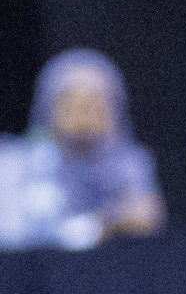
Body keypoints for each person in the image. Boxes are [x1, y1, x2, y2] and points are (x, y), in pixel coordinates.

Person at [3, 49, 165, 250]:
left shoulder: (130, 165)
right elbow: (19, 237)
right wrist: (105, 223)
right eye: (71, 103)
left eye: (94, 103)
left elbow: (147, 223)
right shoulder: (13, 164)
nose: (83, 114)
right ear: (49, 108)